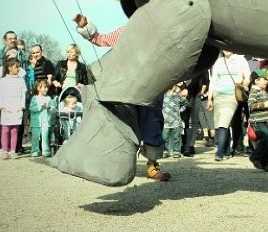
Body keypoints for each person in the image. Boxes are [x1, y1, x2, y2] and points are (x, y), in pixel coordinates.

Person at [74, 14, 170, 180]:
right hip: (127, 87)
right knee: (122, 125)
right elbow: (100, 39)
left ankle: (152, 164)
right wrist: (86, 26)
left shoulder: (161, 34)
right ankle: (117, 164)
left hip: (152, 86)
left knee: (153, 123)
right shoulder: (125, 31)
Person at [207, 50, 251, 162]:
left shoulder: (240, 59)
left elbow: (248, 76)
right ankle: (226, 150)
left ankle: (219, 153)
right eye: (224, 47)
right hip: (218, 94)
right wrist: (209, 98)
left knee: (223, 122)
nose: (226, 49)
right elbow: (213, 80)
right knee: (219, 124)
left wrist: (245, 83)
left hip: (232, 94)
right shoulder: (218, 62)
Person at [0, 58, 27, 159]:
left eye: (19, 67)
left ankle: (13, 150)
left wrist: (22, 106)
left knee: (14, 130)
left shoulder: (21, 80)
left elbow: (23, 94)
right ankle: (4, 150)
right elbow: (0, 94)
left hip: (17, 107)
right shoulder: (3, 80)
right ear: (9, 68)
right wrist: (2, 106)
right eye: (16, 67)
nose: (18, 69)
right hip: (6, 107)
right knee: (5, 129)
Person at [247, 69, 268, 171]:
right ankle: (255, 157)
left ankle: (265, 163)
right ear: (256, 81)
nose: (266, 81)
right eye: (264, 79)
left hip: (263, 121)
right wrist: (266, 104)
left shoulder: (261, 91)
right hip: (257, 122)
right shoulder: (254, 91)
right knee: (267, 140)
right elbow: (251, 105)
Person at [28, 79, 53, 158]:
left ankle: (45, 151)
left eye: (47, 87)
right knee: (35, 137)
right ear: (38, 88)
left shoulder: (48, 98)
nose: (46, 89)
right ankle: (35, 151)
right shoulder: (34, 98)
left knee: (45, 137)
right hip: (36, 122)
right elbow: (32, 108)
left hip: (45, 121)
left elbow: (53, 108)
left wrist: (49, 107)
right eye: (44, 87)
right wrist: (40, 106)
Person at [162, 82, 187, 158]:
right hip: (165, 121)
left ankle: (176, 151)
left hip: (175, 120)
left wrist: (181, 110)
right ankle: (164, 151)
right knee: (164, 137)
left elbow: (185, 103)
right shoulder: (162, 97)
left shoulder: (177, 96)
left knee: (176, 138)